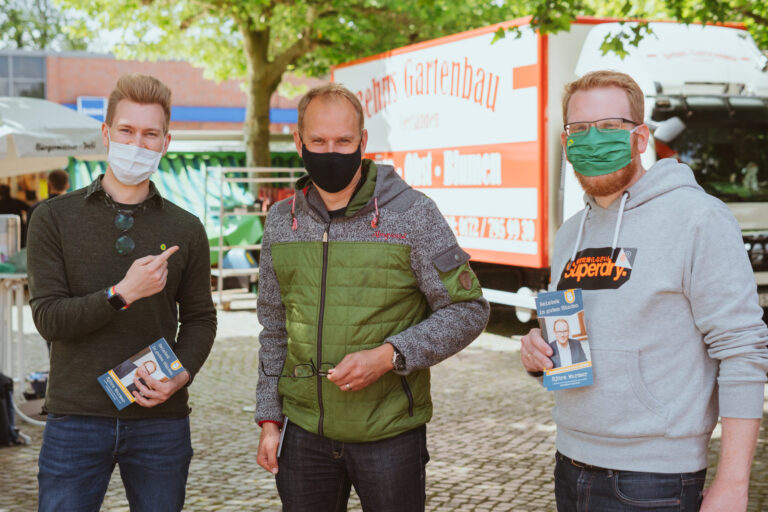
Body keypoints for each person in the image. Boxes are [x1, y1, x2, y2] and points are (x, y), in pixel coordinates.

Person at [520, 70, 768, 512]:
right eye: (579, 129)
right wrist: (537, 355)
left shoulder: (698, 219)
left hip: (654, 480)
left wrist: (733, 483)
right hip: (569, 462)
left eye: (610, 128)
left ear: (639, 137)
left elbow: (743, 349)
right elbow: (580, 335)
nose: (593, 141)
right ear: (565, 141)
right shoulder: (571, 233)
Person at [255, 83, 489, 511]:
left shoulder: (413, 214)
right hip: (304, 437)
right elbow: (274, 326)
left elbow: (468, 309)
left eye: (344, 141)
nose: (331, 152)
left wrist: (389, 355)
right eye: (318, 141)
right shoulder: (279, 222)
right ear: (298, 143)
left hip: (390, 437)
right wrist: (270, 420)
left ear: (363, 142)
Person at [27, 73, 217, 512]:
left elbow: (201, 319)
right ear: (106, 133)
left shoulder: (186, 228)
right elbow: (49, 319)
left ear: (166, 142)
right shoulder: (53, 218)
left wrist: (182, 373)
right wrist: (122, 293)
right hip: (75, 418)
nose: (138, 143)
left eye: (150, 134)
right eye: (127, 131)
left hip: (160, 422)